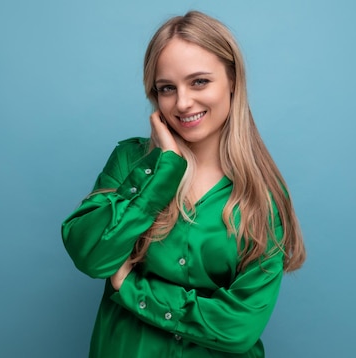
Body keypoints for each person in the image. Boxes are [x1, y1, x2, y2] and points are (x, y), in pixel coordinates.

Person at [61, 10, 306, 358]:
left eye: (199, 82)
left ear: (232, 80)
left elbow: (238, 328)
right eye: (167, 88)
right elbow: (89, 255)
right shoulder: (132, 163)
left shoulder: (263, 195)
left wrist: (132, 287)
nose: (183, 102)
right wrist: (164, 171)